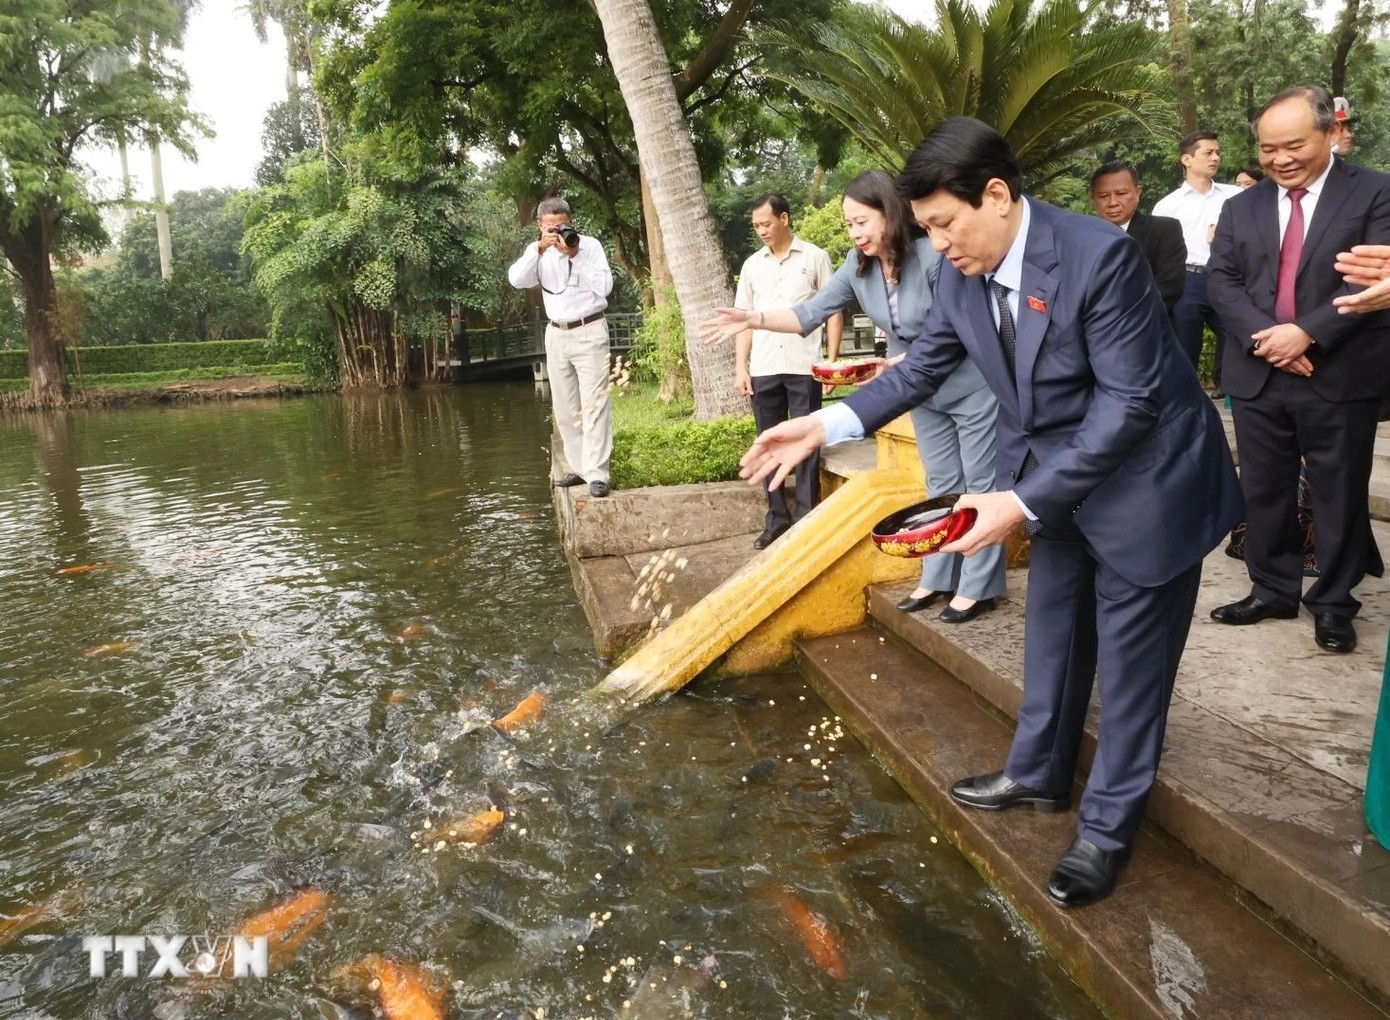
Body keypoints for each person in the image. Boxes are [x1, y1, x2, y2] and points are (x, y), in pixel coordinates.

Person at [736, 118, 1243, 908]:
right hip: (1055, 482)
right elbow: (923, 368)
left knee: (1133, 670)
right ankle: (1038, 774)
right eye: (927, 229)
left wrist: (1018, 499)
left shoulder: (1097, 257)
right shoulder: (967, 275)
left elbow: (1131, 404)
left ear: (997, 195)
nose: (938, 245)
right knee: (1053, 628)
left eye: (944, 223)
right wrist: (827, 423)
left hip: (1149, 485)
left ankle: (1106, 832)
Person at [705, 171, 1005, 623]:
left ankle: (980, 586)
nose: (855, 233)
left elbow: (954, 330)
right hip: (919, 392)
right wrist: (753, 317)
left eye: (861, 221)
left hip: (968, 386)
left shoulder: (931, 254)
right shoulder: (857, 266)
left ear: (889, 212)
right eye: (848, 225)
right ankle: (939, 575)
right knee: (940, 485)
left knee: (980, 484)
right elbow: (809, 312)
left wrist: (896, 363)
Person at [1207, 84, 1390, 654]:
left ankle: (1334, 602)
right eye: (1267, 148)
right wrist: (1269, 340)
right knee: (1263, 488)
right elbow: (1221, 281)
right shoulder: (1241, 206)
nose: (1279, 159)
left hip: (1338, 370)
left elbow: (1371, 278)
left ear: (1332, 134)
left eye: (1292, 145)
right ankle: (1272, 589)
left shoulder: (1376, 193)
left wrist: (1306, 332)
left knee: (1338, 491)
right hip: (1260, 371)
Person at [733, 194, 843, 549]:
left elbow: (833, 311)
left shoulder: (815, 257)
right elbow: (743, 321)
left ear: (784, 218)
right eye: (756, 227)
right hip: (764, 366)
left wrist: (832, 361)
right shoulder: (752, 266)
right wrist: (741, 367)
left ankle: (806, 520)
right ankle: (777, 519)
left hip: (804, 365)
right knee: (768, 444)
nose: (761, 231)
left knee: (807, 444)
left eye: (766, 224)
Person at [508, 198, 615, 498]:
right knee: (566, 409)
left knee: (594, 405)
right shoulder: (538, 254)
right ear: (540, 226)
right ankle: (580, 468)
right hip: (556, 334)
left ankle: (598, 474)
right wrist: (538, 249)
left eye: (562, 225)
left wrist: (575, 255)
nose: (558, 231)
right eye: (550, 227)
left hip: (590, 329)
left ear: (572, 220)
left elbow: (605, 286)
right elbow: (516, 280)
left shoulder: (590, 246)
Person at [1152, 130, 1243, 392]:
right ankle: (1182, 405)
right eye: (1208, 153)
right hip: (1187, 280)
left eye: (1218, 153)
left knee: (1238, 336)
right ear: (1186, 159)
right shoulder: (1168, 206)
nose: (1215, 158)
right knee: (1184, 348)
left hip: (1227, 277)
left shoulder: (1235, 196)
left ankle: (1233, 397)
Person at [1089, 159, 1185, 318]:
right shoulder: (1083, 236)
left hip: (1149, 326)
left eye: (1121, 194)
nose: (1112, 202)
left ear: (1138, 192)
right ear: (1094, 199)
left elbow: (1170, 287)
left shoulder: (1164, 230)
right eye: (1104, 196)